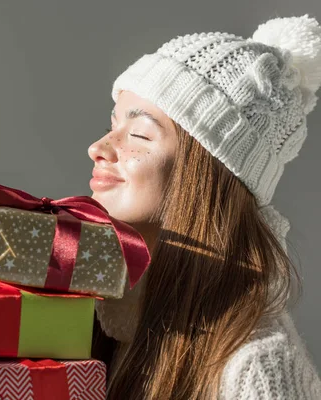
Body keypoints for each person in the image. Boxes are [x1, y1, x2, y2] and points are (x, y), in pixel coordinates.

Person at [88, 14, 321, 399]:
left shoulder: (257, 365)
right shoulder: (113, 317)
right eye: (112, 125)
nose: (98, 149)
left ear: (211, 172)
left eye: (139, 134)